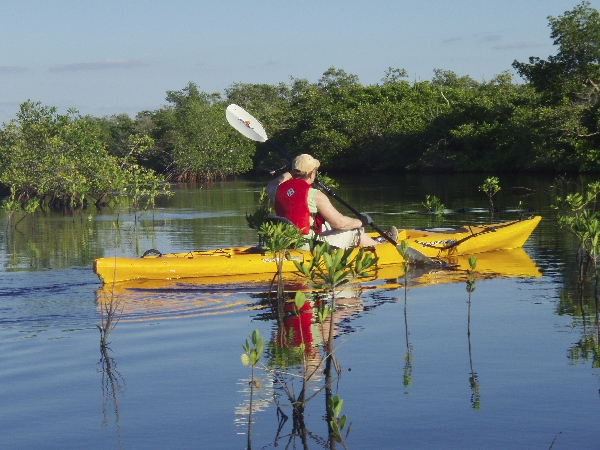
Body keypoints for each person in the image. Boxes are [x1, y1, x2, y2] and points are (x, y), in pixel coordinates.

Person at [266, 153, 397, 249]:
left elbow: (273, 183)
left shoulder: (276, 190)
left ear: (294, 172)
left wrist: (292, 171)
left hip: (286, 243)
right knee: (355, 231)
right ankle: (380, 247)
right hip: (307, 246)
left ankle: (372, 243)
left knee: (326, 226)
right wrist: (362, 221)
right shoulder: (315, 195)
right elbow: (340, 223)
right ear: (312, 174)